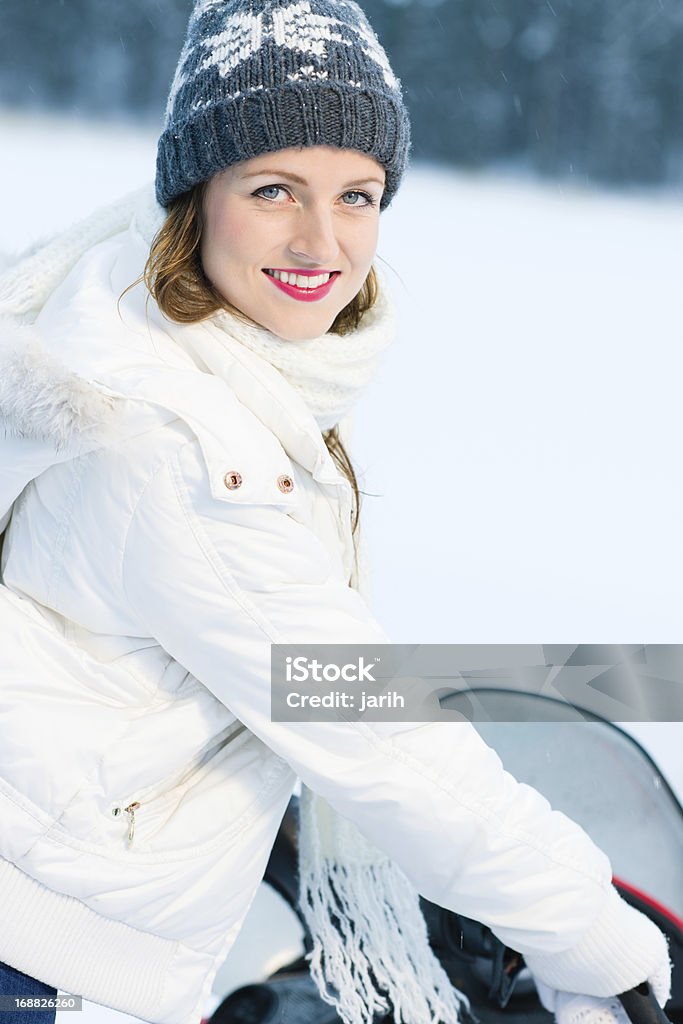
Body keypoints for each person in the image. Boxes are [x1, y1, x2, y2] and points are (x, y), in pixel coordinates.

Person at [0, 2, 673, 1024]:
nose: (322, 239)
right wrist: (589, 931)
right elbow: (361, 721)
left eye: (357, 195)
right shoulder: (176, 445)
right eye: (274, 189)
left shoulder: (163, 335)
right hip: (48, 961)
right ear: (195, 193)